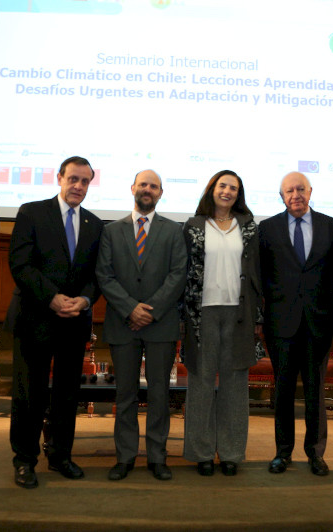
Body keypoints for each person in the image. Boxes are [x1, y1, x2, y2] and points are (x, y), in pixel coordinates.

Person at [7, 156, 104, 489]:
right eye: (73, 179)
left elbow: (96, 275)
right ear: (59, 178)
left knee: (66, 394)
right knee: (29, 394)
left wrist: (85, 299)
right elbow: (20, 264)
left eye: (85, 181)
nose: (78, 186)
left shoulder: (94, 224)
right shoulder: (31, 212)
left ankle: (60, 455)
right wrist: (53, 298)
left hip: (74, 322)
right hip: (35, 317)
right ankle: (24, 460)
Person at [96, 169, 187, 481]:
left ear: (161, 193)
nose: (148, 189)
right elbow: (104, 275)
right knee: (125, 395)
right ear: (132, 188)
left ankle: (157, 457)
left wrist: (151, 310)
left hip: (161, 324)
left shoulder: (174, 231)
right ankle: (125, 457)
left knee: (160, 394)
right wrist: (130, 309)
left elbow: (178, 274)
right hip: (123, 323)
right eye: (143, 184)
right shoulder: (111, 231)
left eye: (154, 186)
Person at [259, 171, 333, 476]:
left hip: (318, 321)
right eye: (289, 191)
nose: (295, 194)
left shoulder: (331, 227)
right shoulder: (267, 229)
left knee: (315, 392)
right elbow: (262, 274)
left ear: (311, 191)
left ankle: (315, 454)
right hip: (280, 323)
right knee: (282, 392)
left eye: (300, 189)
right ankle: (283, 453)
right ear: (281, 196)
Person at [182, 170, 261, 477]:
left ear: (238, 194)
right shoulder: (193, 226)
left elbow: (257, 275)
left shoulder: (249, 228)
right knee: (201, 384)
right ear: (212, 189)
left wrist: (258, 317)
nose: (227, 191)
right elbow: (184, 272)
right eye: (223, 185)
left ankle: (230, 452)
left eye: (234, 188)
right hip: (201, 315)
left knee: (234, 386)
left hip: (239, 315)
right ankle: (201, 453)